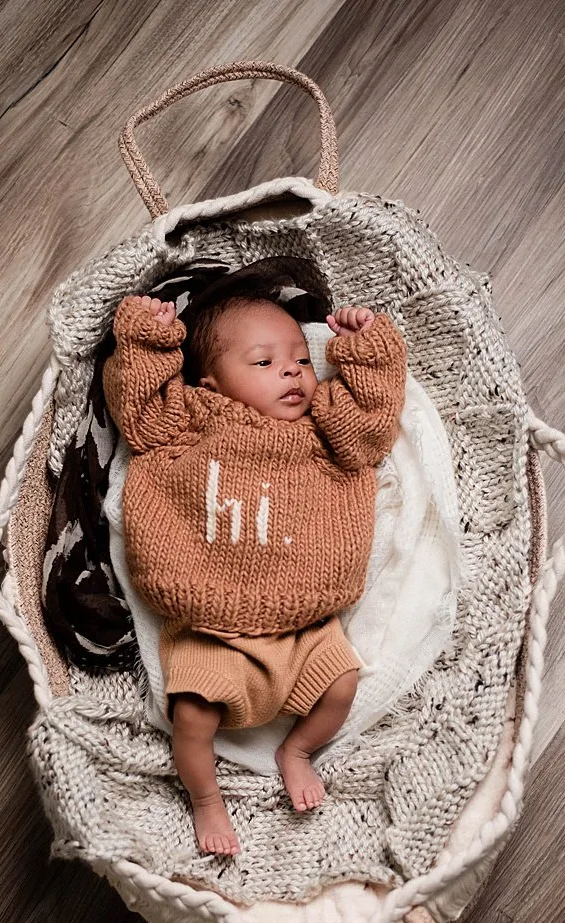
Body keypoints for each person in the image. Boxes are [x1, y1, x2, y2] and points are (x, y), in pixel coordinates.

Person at [105, 291, 406, 856]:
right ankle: (205, 799)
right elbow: (137, 406)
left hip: (304, 626)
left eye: (301, 359)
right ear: (210, 383)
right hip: (211, 627)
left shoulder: (327, 429)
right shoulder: (188, 419)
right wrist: (147, 338)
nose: (292, 369)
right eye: (264, 362)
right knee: (191, 718)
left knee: (341, 683)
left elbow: (373, 426)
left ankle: (296, 750)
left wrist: (364, 350)